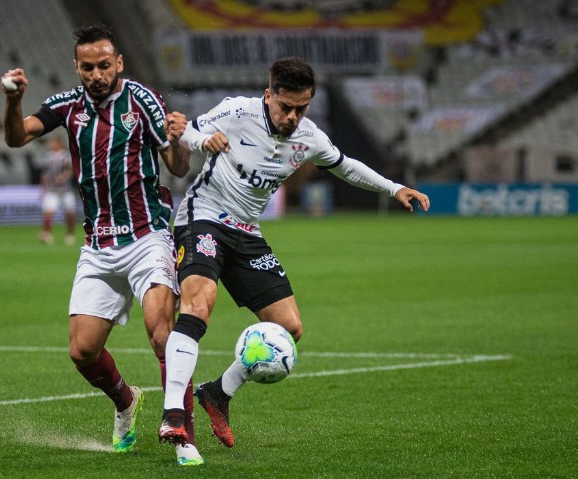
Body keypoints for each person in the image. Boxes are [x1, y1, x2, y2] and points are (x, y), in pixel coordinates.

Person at [158, 57, 430, 450]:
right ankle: (174, 414)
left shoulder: (309, 137)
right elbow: (186, 132)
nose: (292, 117)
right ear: (268, 95)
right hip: (204, 216)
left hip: (247, 232)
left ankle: (218, 392)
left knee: (290, 327)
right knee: (199, 303)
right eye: (285, 107)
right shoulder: (237, 111)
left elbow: (346, 166)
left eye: (301, 108)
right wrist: (203, 141)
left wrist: (393, 188)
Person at [1, 25, 204, 466]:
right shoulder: (67, 106)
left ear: (119, 63)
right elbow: (17, 137)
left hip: (147, 235)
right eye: (88, 67)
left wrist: (177, 140)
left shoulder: (143, 101)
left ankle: (183, 433)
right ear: (77, 67)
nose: (97, 74)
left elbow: (177, 167)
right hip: (98, 244)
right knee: (82, 351)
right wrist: (14, 101)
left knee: (162, 333)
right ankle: (126, 401)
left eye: (104, 65)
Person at [38, 136, 77, 245]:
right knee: (48, 212)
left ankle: (70, 234)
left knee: (70, 213)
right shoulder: (48, 157)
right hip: (52, 190)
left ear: (59, 143)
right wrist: (43, 187)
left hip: (66, 190)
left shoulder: (65, 156)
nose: (51, 145)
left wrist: (64, 176)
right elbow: (44, 174)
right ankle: (47, 234)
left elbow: (71, 170)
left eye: (54, 142)